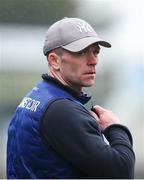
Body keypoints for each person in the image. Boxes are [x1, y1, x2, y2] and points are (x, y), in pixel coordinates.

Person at [7, 17, 135, 179]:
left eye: (95, 51)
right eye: (81, 52)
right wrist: (115, 128)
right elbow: (121, 172)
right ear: (54, 61)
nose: (93, 61)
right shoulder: (62, 110)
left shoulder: (37, 96)